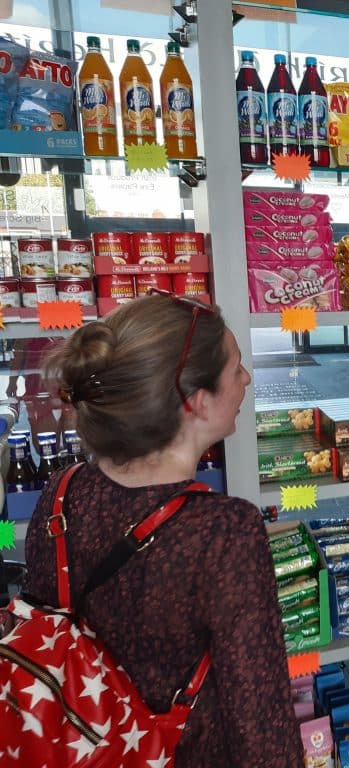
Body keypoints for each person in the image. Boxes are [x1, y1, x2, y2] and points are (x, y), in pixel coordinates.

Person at [22, 292, 303, 767]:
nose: (248, 380)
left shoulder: (62, 492)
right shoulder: (225, 531)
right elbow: (262, 725)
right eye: (236, 368)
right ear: (196, 402)